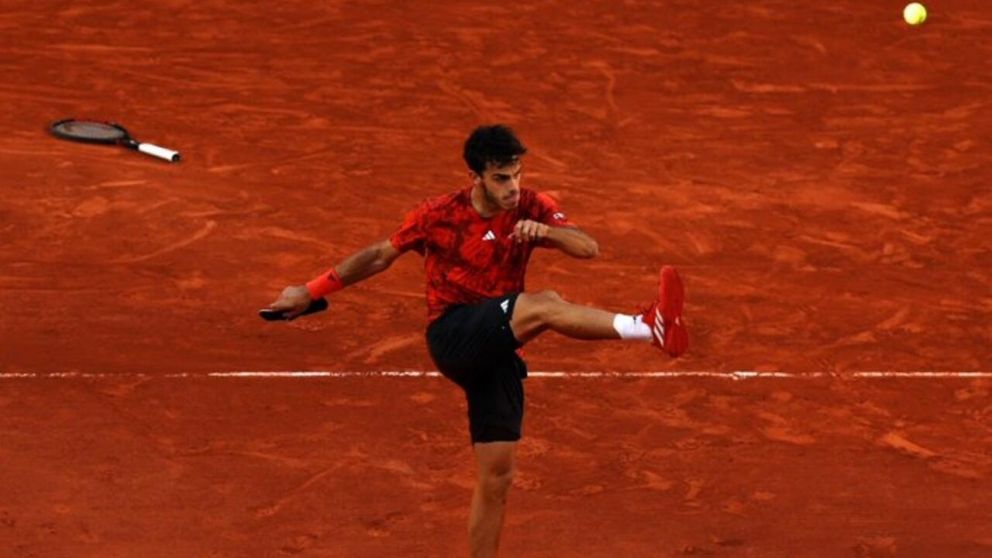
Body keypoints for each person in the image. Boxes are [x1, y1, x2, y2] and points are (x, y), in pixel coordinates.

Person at [265, 124, 688, 558]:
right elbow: (377, 256)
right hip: (453, 334)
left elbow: (587, 248)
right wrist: (310, 290)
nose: (512, 187)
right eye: (501, 178)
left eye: (517, 174)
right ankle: (645, 326)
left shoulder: (532, 205)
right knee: (543, 304)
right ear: (476, 178)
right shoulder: (438, 214)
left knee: (497, 477)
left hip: (498, 349)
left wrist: (547, 233)